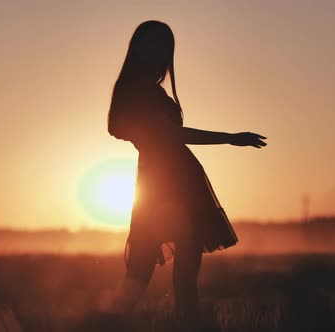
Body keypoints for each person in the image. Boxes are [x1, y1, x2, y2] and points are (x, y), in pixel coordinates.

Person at [106, 20, 267, 318]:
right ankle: (113, 324)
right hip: (165, 183)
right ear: (138, 49)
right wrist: (230, 139)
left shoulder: (140, 91)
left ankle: (181, 322)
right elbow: (172, 135)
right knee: (145, 269)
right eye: (152, 45)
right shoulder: (139, 93)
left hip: (171, 181)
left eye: (163, 47)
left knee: (176, 272)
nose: (158, 53)